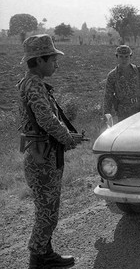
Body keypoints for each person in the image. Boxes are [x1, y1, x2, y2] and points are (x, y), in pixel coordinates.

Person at [17, 34, 79, 268]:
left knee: (49, 209)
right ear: (40, 60)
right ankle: (39, 257)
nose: (56, 63)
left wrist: (66, 137)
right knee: (47, 212)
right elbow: (45, 118)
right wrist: (67, 138)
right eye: (52, 59)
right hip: (41, 159)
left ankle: (45, 252)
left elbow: (45, 118)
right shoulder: (33, 84)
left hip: (43, 155)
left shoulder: (33, 83)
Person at [103, 45, 140, 121]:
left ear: (130, 57)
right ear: (117, 57)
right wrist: (107, 116)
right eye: (121, 57)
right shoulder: (112, 75)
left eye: (126, 56)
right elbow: (108, 97)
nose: (124, 60)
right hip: (123, 114)